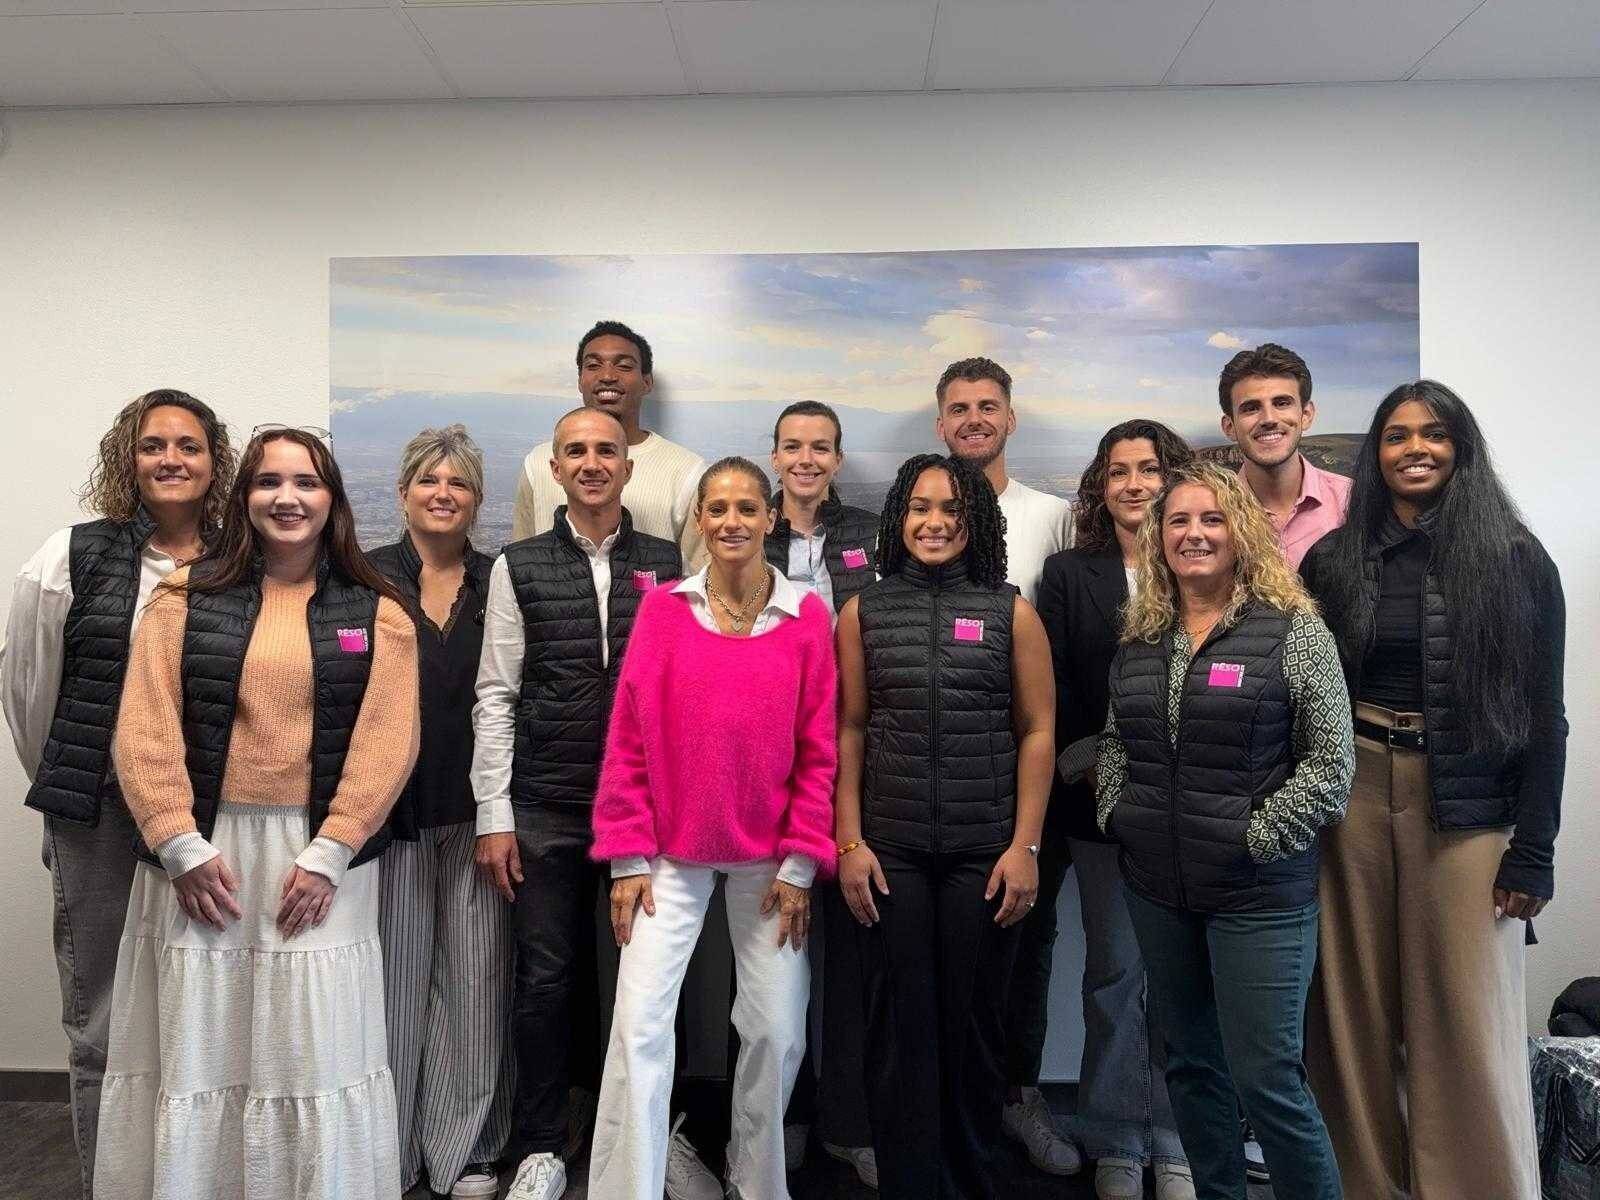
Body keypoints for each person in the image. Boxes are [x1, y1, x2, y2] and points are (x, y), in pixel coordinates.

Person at [94, 426, 420, 1199]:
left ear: (332, 499)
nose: (287, 497)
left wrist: (332, 851)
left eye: (306, 482)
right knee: (202, 1043)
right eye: (269, 481)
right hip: (204, 855)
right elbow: (143, 727)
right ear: (243, 497)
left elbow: (388, 742)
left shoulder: (379, 612)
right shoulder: (181, 599)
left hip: (322, 858)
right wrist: (178, 843)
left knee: (311, 1047)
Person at [1300, 381, 1565, 1200]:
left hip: (1469, 809)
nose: (1415, 448)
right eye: (1396, 435)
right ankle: (1367, 1186)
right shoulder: (1333, 560)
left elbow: (1545, 716)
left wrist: (1534, 850)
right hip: (1351, 795)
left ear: (1461, 447)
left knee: (1464, 1019)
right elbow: (1303, 696)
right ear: (1375, 455)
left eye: (1434, 434)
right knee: (1349, 1017)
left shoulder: (1516, 558)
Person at [1095, 461, 1352, 1200]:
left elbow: (1332, 763)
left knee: (1268, 1080)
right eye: (1178, 521)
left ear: (1240, 531)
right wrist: (1119, 813)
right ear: (1158, 538)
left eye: (1212, 519)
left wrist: (1258, 838)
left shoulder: (1292, 630)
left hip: (1258, 896)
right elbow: (1115, 744)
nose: (1195, 534)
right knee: (1191, 1067)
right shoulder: (1142, 637)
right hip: (1158, 889)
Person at [1, 388, 235, 1199]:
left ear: (214, 462)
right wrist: (75, 783)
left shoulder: (238, 561)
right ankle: (108, 1183)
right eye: (153, 445)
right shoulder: (71, 556)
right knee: (101, 1016)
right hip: (96, 815)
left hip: (204, 818)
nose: (171, 459)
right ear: (127, 459)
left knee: (195, 1016)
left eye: (189, 446)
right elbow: (29, 691)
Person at [587, 457, 838, 1200]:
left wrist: (801, 864)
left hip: (771, 858)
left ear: (770, 518)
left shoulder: (806, 617)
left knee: (777, 1028)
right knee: (639, 1024)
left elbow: (819, 747)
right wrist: (627, 856)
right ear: (699, 519)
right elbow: (628, 737)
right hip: (667, 851)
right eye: (718, 508)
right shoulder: (663, 611)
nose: (732, 521)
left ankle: (756, 1182)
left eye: (746, 508)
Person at [473, 407, 682, 1200]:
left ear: (628, 467)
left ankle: (646, 1138)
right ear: (554, 469)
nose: (592, 463)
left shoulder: (665, 562)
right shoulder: (519, 565)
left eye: (606, 450)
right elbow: (496, 694)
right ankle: (540, 1145)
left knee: (648, 984)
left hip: (644, 807)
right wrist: (494, 814)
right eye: (575, 452)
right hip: (545, 806)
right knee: (545, 980)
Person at [835, 453, 1054, 1200]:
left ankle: (971, 1185)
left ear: (977, 520)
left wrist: (1025, 847)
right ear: (899, 518)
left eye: (953, 509)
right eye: (920, 508)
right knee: (899, 1029)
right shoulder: (863, 612)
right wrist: (850, 842)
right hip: (889, 852)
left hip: (983, 854)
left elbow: (1038, 731)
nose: (935, 523)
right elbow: (850, 728)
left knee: (974, 1028)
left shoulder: (1010, 611)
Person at [1037, 421, 1195, 1200]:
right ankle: (1117, 1141)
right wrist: (1104, 761)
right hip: (1103, 807)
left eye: (1150, 469)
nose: (1134, 484)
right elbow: (1057, 685)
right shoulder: (1071, 574)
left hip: (1198, 808)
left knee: (1184, 978)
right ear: (1101, 487)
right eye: (1119, 471)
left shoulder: (1208, 559)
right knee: (1115, 973)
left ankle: (1177, 1139)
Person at [931, 359, 1077, 1171]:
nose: (974, 419)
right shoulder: (918, 514)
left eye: (988, 406)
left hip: (1025, 768)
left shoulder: (1050, 516)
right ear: (940, 423)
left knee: (1028, 937)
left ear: (1010, 419)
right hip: (931, 777)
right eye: (959, 408)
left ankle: (1016, 1097)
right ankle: (938, 1110)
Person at [369, 425, 511, 1200]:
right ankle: (385, 1151)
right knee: (393, 985)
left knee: (475, 984)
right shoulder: (364, 576)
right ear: (403, 493)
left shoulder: (500, 580)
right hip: (387, 816)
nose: (443, 494)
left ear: (477, 500)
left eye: (458, 483)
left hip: (477, 813)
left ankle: (468, 1150)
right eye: (429, 480)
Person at [763, 399, 878, 1185]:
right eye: (793, 446)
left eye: (821, 447)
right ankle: (781, 1118)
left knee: (855, 950)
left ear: (837, 459)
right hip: (771, 763)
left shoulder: (871, 533)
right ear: (775, 456)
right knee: (775, 947)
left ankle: (849, 1120)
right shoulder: (747, 529)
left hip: (859, 757)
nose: (806, 459)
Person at [512, 320, 706, 568]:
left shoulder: (686, 471)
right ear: (580, 380)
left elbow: (697, 576)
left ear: (646, 382)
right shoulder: (538, 463)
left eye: (624, 366)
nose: (607, 376)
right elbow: (521, 563)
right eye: (593, 365)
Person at [1217, 342, 1351, 570]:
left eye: (1281, 403)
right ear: (1229, 426)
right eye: (1251, 408)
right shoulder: (1209, 512)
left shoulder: (1351, 501)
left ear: (1306, 415)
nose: (1269, 419)